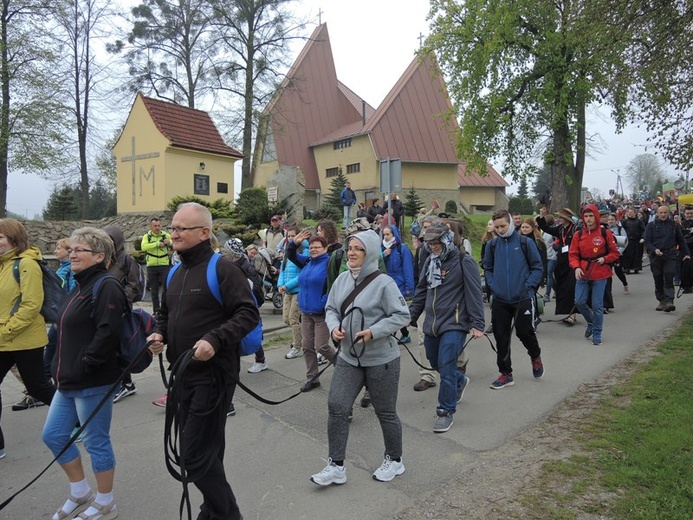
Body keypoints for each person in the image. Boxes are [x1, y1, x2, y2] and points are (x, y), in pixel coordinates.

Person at [147, 203, 259, 520]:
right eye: (173, 227)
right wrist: (158, 334)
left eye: (182, 228)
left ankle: (227, 515)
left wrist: (215, 338)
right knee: (206, 453)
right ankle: (213, 510)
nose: (174, 233)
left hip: (213, 377)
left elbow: (247, 313)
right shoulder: (174, 272)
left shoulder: (222, 268)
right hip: (181, 376)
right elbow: (164, 315)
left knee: (193, 455)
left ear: (204, 232)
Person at [310, 230, 410, 486]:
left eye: (358, 249)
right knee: (337, 406)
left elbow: (402, 315)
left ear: (371, 253)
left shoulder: (384, 283)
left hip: (381, 359)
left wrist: (373, 332)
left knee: (385, 412)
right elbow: (331, 308)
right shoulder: (342, 279)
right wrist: (333, 328)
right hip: (349, 357)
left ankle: (395, 460)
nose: (352, 253)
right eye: (350, 248)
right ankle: (336, 465)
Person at [42, 227, 128, 520]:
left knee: (96, 441)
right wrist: (55, 365)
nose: (73, 253)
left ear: (100, 256)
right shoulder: (78, 285)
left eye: (81, 250)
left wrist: (87, 363)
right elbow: (63, 329)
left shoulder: (106, 285)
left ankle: (106, 501)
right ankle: (80, 492)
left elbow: (108, 331)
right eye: (72, 248)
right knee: (53, 435)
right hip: (68, 380)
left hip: (93, 380)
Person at [409, 224, 485, 432]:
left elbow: (474, 294)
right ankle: (461, 381)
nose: (433, 247)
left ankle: (445, 411)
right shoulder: (429, 262)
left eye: (436, 243)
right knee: (436, 363)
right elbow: (422, 291)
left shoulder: (464, 262)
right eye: (430, 243)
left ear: (447, 241)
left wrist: (477, 324)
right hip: (432, 324)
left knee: (447, 365)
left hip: (455, 323)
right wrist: (411, 316)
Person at [0, 219, 55, 460]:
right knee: (37, 385)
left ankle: (75, 421)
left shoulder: (26, 264)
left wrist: (6, 330)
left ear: (13, 239)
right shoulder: (4, 265)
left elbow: (31, 304)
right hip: (6, 337)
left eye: (0, 237)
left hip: (24, 339)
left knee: (38, 386)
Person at [483, 210, 544, 390]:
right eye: (497, 227)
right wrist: (494, 285)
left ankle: (535, 356)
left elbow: (537, 267)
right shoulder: (492, 245)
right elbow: (487, 268)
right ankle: (505, 373)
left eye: (503, 226)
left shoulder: (526, 243)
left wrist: (528, 286)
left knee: (524, 332)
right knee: (501, 336)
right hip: (500, 299)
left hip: (523, 297)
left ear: (510, 223)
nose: (500, 230)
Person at [286, 231, 336, 391]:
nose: (313, 250)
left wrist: (323, 303)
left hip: (321, 313)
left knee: (321, 346)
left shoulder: (329, 264)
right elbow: (291, 255)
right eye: (312, 247)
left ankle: (345, 368)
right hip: (306, 312)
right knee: (307, 347)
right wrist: (294, 243)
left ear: (325, 248)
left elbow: (333, 287)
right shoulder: (308, 261)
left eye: (317, 247)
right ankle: (313, 378)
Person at [104, 225, 145, 404]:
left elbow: (135, 286)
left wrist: (118, 299)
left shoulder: (126, 259)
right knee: (109, 348)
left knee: (118, 348)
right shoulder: (102, 259)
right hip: (103, 310)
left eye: (110, 240)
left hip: (120, 310)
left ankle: (124, 384)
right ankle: (123, 383)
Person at [568, 206, 620, 345]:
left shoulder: (605, 232)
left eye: (591, 216)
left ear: (596, 216)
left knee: (597, 305)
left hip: (600, 272)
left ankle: (597, 331)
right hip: (583, 272)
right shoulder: (578, 235)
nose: (588, 219)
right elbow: (573, 254)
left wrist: (605, 259)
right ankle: (591, 321)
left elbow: (615, 253)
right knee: (579, 301)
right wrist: (576, 267)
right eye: (586, 216)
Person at [644, 204, 691, 312]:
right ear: (657, 214)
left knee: (669, 276)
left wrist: (687, 254)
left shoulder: (674, 225)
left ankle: (670, 301)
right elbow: (647, 241)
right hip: (656, 256)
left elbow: (681, 241)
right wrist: (654, 249)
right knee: (658, 277)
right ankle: (662, 300)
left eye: (665, 212)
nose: (663, 214)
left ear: (668, 213)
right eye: (661, 213)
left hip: (670, 255)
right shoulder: (651, 226)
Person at [537, 207, 579, 324]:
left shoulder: (575, 229)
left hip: (572, 262)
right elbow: (545, 228)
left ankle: (573, 314)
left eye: (561, 217)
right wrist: (542, 216)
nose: (559, 219)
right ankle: (565, 312)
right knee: (562, 287)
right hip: (561, 262)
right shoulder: (560, 229)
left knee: (571, 288)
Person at [277, 225, 307, 359]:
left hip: (297, 290)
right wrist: (280, 284)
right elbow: (282, 271)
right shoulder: (286, 252)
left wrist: (287, 286)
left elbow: (302, 275)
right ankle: (301, 338)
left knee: (293, 319)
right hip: (287, 291)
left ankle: (297, 347)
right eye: (288, 236)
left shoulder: (304, 252)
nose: (290, 239)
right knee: (286, 319)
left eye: (293, 236)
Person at [381, 225, 414, 343]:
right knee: (391, 310)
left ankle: (394, 335)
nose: (385, 237)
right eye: (384, 234)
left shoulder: (402, 248)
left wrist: (409, 287)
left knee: (395, 310)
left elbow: (408, 268)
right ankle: (402, 334)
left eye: (388, 234)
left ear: (394, 235)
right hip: (387, 283)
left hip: (400, 283)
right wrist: (384, 255)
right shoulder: (382, 248)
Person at [140, 218, 171, 316]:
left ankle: (164, 309)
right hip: (151, 266)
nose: (157, 228)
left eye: (159, 225)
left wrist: (169, 242)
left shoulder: (165, 235)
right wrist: (157, 244)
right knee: (154, 290)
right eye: (155, 226)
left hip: (164, 265)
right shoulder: (147, 236)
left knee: (166, 288)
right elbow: (144, 247)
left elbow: (174, 243)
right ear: (150, 227)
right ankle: (156, 310)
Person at [607, 214, 630, 294]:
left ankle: (625, 284)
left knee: (618, 272)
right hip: (608, 254)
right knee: (608, 273)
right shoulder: (605, 230)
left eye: (612, 219)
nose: (610, 221)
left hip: (618, 254)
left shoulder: (620, 229)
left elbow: (625, 242)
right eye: (609, 220)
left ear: (616, 221)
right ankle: (608, 291)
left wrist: (619, 252)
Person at [621, 207, 646, 273]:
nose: (629, 214)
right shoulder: (625, 222)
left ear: (635, 213)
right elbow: (622, 230)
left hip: (637, 241)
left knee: (637, 255)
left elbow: (643, 230)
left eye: (631, 212)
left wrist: (642, 238)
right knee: (627, 255)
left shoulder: (639, 221)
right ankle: (627, 268)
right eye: (628, 212)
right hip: (628, 241)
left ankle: (636, 268)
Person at [541, 216, 558, 302]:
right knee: (549, 275)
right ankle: (556, 289)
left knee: (549, 274)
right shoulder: (544, 232)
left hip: (553, 256)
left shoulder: (553, 232)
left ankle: (547, 294)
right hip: (546, 256)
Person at [679, 205, 693, 293]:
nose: (689, 215)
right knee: (685, 267)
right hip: (685, 248)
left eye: (691, 213)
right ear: (684, 214)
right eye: (687, 213)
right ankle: (686, 286)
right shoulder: (681, 224)